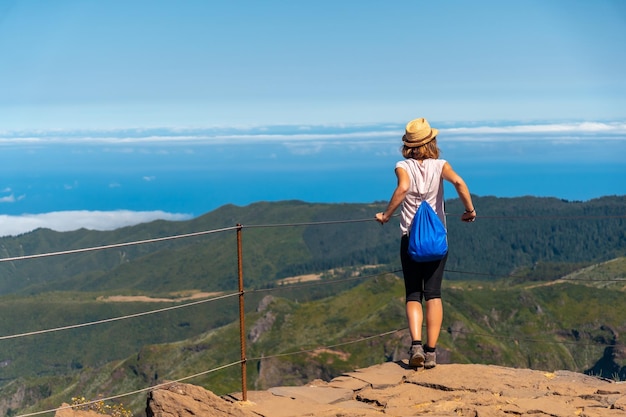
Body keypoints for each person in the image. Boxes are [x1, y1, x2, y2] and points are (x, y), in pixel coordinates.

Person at [375, 117, 476, 369]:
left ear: (408, 145)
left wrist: (386, 215)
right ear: (431, 141)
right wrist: (469, 210)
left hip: (411, 240)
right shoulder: (441, 165)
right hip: (436, 240)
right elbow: (460, 182)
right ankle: (431, 352)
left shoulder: (402, 166)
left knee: (413, 294)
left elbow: (403, 188)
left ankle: (416, 346)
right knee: (433, 294)